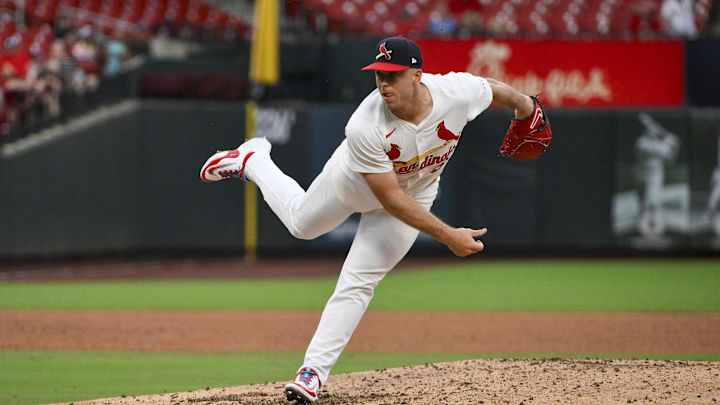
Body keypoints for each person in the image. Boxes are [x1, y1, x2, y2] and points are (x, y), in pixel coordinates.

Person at [199, 37, 536, 404]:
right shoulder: (365, 124)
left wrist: (525, 106)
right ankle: (253, 160)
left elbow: (492, 90)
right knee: (301, 225)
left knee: (358, 282)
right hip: (353, 184)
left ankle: (311, 374)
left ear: (418, 76)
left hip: (415, 195)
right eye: (379, 75)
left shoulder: (455, 91)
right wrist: (448, 235)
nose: (383, 83)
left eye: (393, 75)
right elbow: (390, 199)